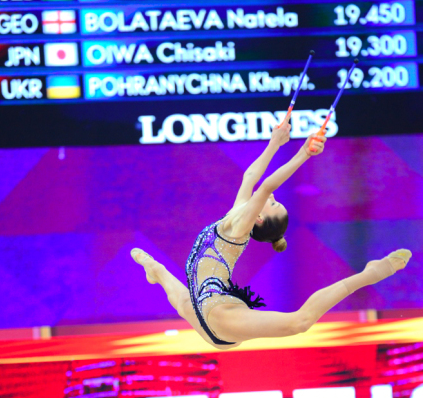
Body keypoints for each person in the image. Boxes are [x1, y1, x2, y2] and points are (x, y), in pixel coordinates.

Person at [131, 116, 411, 350]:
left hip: (219, 315)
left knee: (299, 323)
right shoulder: (236, 215)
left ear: (260, 216)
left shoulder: (237, 230)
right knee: (180, 301)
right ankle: (155, 269)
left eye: (274, 204)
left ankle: (371, 273)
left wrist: (303, 154)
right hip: (207, 311)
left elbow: (264, 185)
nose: (273, 196)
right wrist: (274, 142)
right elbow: (250, 177)